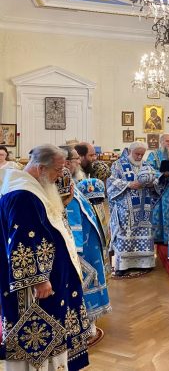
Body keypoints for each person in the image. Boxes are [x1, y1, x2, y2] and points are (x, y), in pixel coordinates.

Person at [0, 144, 90, 370]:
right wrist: (38, 279)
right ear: (40, 168)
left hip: (49, 276)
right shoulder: (23, 195)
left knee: (54, 328)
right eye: (58, 170)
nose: (61, 175)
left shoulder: (31, 187)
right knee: (37, 337)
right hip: (36, 286)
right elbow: (22, 241)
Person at [62, 145, 111, 341]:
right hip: (77, 247)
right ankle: (79, 325)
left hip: (88, 246)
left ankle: (86, 323)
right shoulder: (62, 186)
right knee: (80, 284)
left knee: (89, 282)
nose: (78, 162)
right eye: (75, 159)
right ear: (66, 163)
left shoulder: (74, 182)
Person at [107, 142, 164, 276]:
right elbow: (111, 182)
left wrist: (152, 184)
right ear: (130, 152)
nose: (139, 157)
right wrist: (129, 184)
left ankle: (145, 263)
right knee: (126, 234)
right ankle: (123, 266)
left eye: (142, 154)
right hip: (125, 209)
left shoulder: (146, 165)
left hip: (144, 207)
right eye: (137, 154)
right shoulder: (118, 165)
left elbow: (156, 181)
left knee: (144, 233)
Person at [148, 133, 169, 243]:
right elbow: (149, 169)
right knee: (158, 213)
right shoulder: (153, 155)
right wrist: (162, 174)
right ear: (161, 142)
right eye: (167, 141)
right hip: (158, 190)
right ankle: (158, 237)